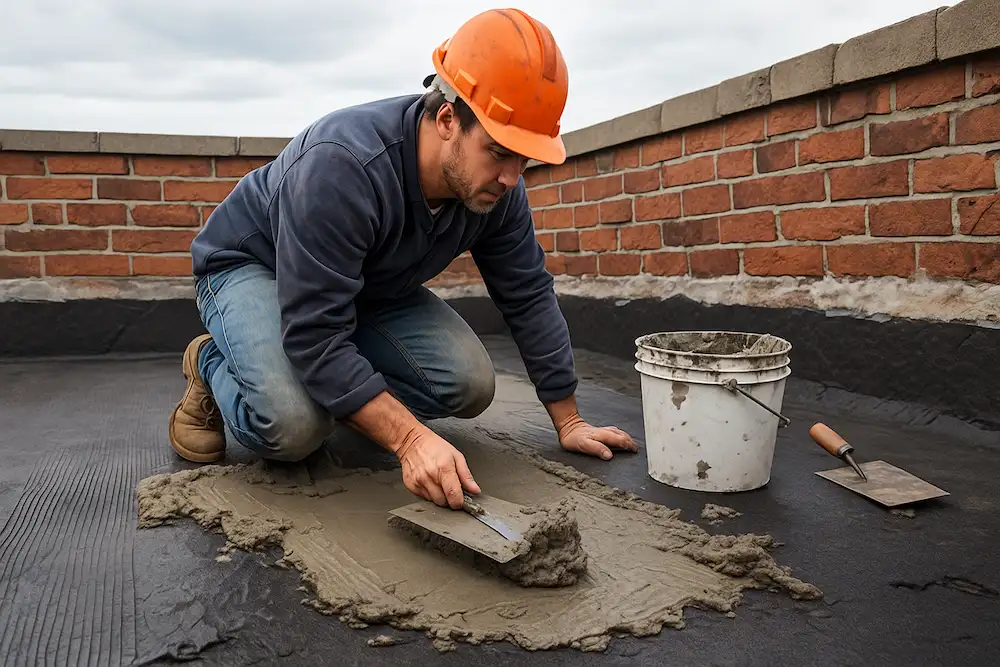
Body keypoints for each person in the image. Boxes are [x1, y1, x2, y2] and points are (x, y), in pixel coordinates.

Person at [169, 7, 637, 510]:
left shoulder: (497, 190)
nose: (511, 176)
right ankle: (215, 365)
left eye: (525, 159)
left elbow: (527, 293)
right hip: (254, 266)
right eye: (500, 152)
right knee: (294, 427)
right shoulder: (344, 167)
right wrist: (410, 440)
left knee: (470, 385)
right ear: (446, 120)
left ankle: (335, 391)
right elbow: (316, 333)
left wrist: (569, 420)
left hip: (360, 287)